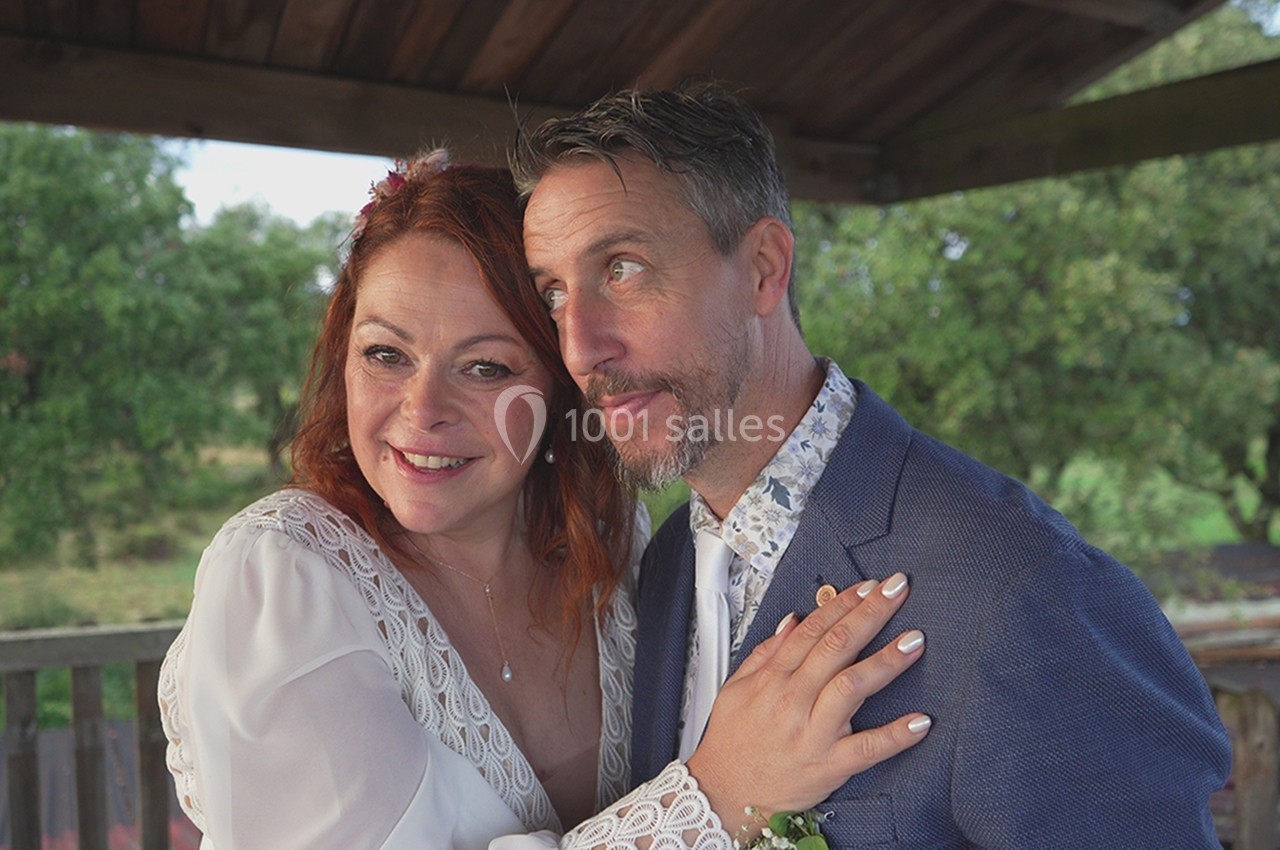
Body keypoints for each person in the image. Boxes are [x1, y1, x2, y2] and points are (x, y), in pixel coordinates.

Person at [513, 80, 1234, 847]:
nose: (581, 347)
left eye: (623, 268)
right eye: (555, 294)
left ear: (762, 268)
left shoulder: (1026, 593)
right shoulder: (663, 568)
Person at [157, 150, 933, 849]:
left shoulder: (609, 541)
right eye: (386, 354)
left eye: (486, 367)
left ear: (558, 385)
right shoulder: (283, 578)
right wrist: (717, 796)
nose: (422, 411)